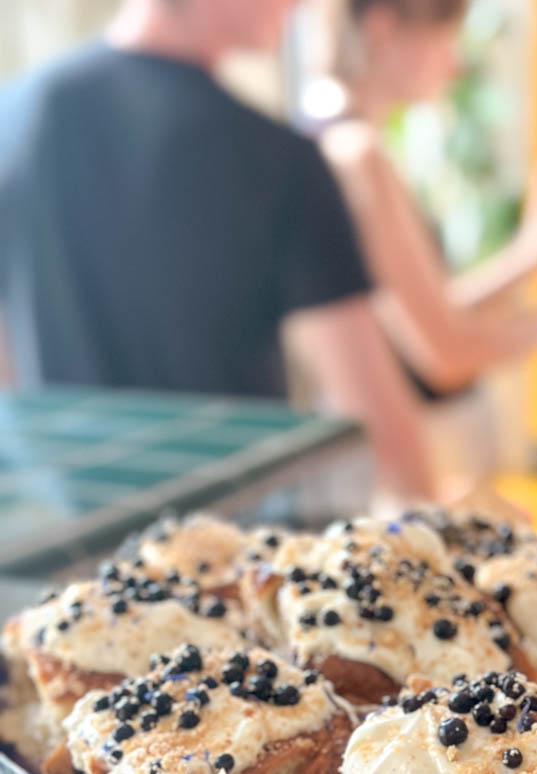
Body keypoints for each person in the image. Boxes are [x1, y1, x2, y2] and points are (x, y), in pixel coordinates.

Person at [0, 0, 435, 502]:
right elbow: (374, 416)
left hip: (77, 539)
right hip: (234, 551)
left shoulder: (12, 121)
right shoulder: (277, 160)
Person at [312, 0, 537, 397]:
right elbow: (446, 353)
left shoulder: (337, 139)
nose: (455, 64)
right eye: (445, 38)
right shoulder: (358, 153)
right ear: (382, 29)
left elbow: (426, 312)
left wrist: (528, 257)